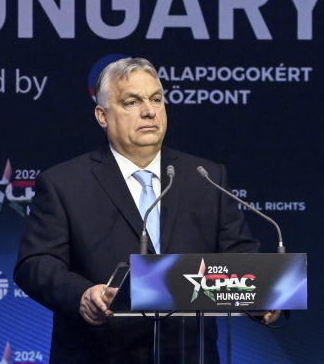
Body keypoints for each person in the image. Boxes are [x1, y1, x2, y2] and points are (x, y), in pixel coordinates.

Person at [14, 57, 280, 363]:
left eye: (156, 99)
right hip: (100, 354)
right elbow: (35, 264)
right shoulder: (64, 183)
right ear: (102, 115)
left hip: (188, 354)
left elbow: (238, 256)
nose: (149, 111)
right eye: (132, 101)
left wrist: (262, 298)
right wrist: (82, 295)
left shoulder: (205, 177)